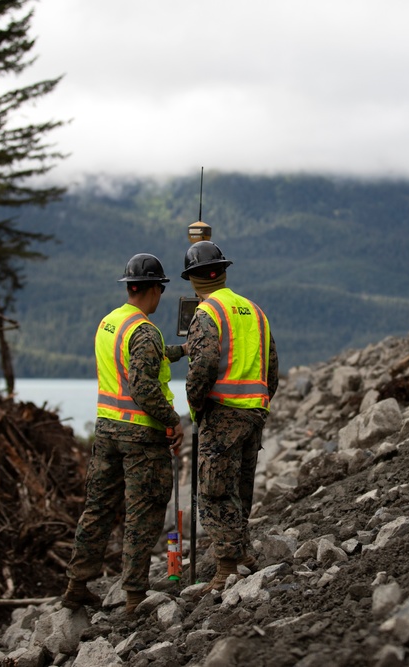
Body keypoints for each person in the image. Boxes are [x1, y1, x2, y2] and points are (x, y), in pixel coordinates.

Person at [62, 253, 185, 615]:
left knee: (98, 509)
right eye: (160, 289)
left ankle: (77, 584)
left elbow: (139, 359)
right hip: (140, 436)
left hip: (107, 430)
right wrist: (172, 420)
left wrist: (181, 351)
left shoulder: (110, 323)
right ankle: (134, 596)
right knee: (142, 513)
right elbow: (144, 386)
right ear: (153, 289)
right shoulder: (145, 329)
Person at [180, 241, 279, 592]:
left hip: (222, 414)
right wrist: (257, 402)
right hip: (254, 412)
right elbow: (272, 370)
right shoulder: (256, 311)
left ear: (193, 279)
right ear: (223, 271)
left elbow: (203, 365)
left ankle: (225, 569)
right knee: (239, 488)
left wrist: (196, 404)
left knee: (215, 491)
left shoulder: (207, 313)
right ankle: (245, 555)